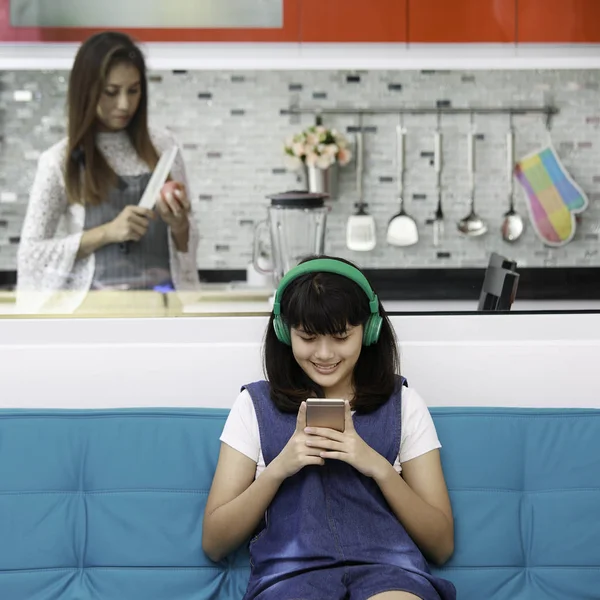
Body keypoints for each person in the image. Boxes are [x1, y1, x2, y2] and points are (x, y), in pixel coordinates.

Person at [203, 256, 457, 600]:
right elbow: (215, 543)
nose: (324, 354)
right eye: (307, 337)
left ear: (368, 331)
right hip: (291, 579)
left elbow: (441, 545)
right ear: (284, 332)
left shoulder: (405, 404)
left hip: (390, 574)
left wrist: (378, 467)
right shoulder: (253, 407)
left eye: (341, 336)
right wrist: (280, 468)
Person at [16, 31, 200, 314]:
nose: (124, 104)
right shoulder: (58, 161)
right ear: (86, 90)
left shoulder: (164, 147)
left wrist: (179, 225)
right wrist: (105, 233)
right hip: (94, 317)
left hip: (163, 313)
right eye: (111, 92)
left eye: (134, 90)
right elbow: (31, 255)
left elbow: (188, 242)